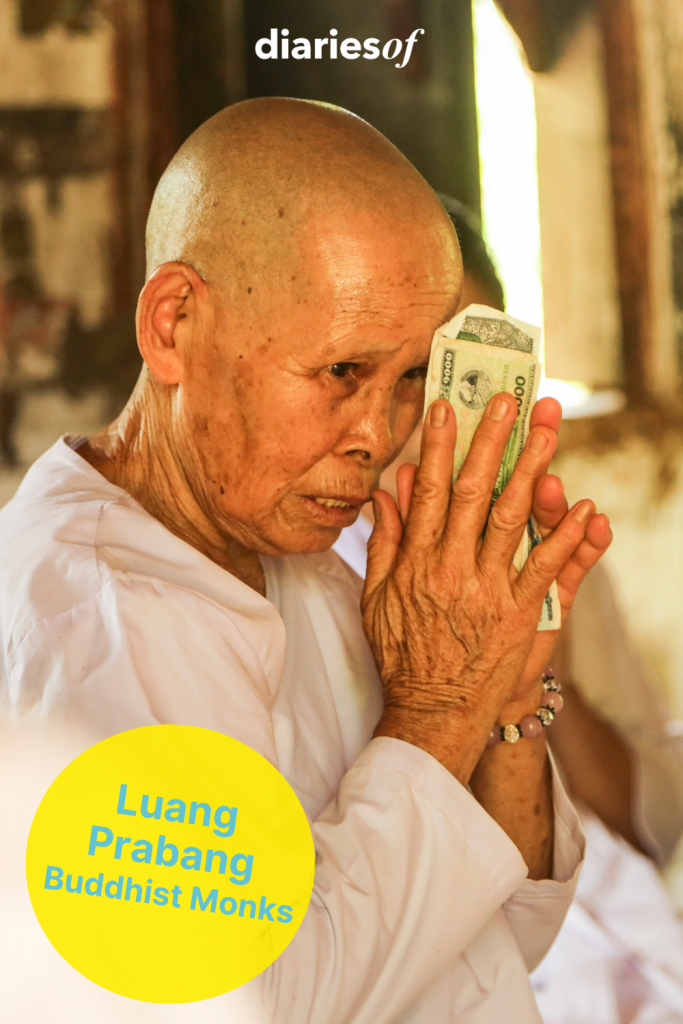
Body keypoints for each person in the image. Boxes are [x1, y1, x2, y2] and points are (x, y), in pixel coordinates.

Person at [0, 99, 612, 1023]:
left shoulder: (297, 550)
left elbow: (490, 943)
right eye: (341, 374)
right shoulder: (92, 626)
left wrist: (505, 705)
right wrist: (440, 710)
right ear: (172, 325)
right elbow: (250, 1007)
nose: (379, 435)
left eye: (410, 377)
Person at [335, 195, 683, 1023]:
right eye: (429, 363)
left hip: (601, 930)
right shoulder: (307, 561)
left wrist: (534, 682)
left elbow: (649, 829)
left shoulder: (548, 544)